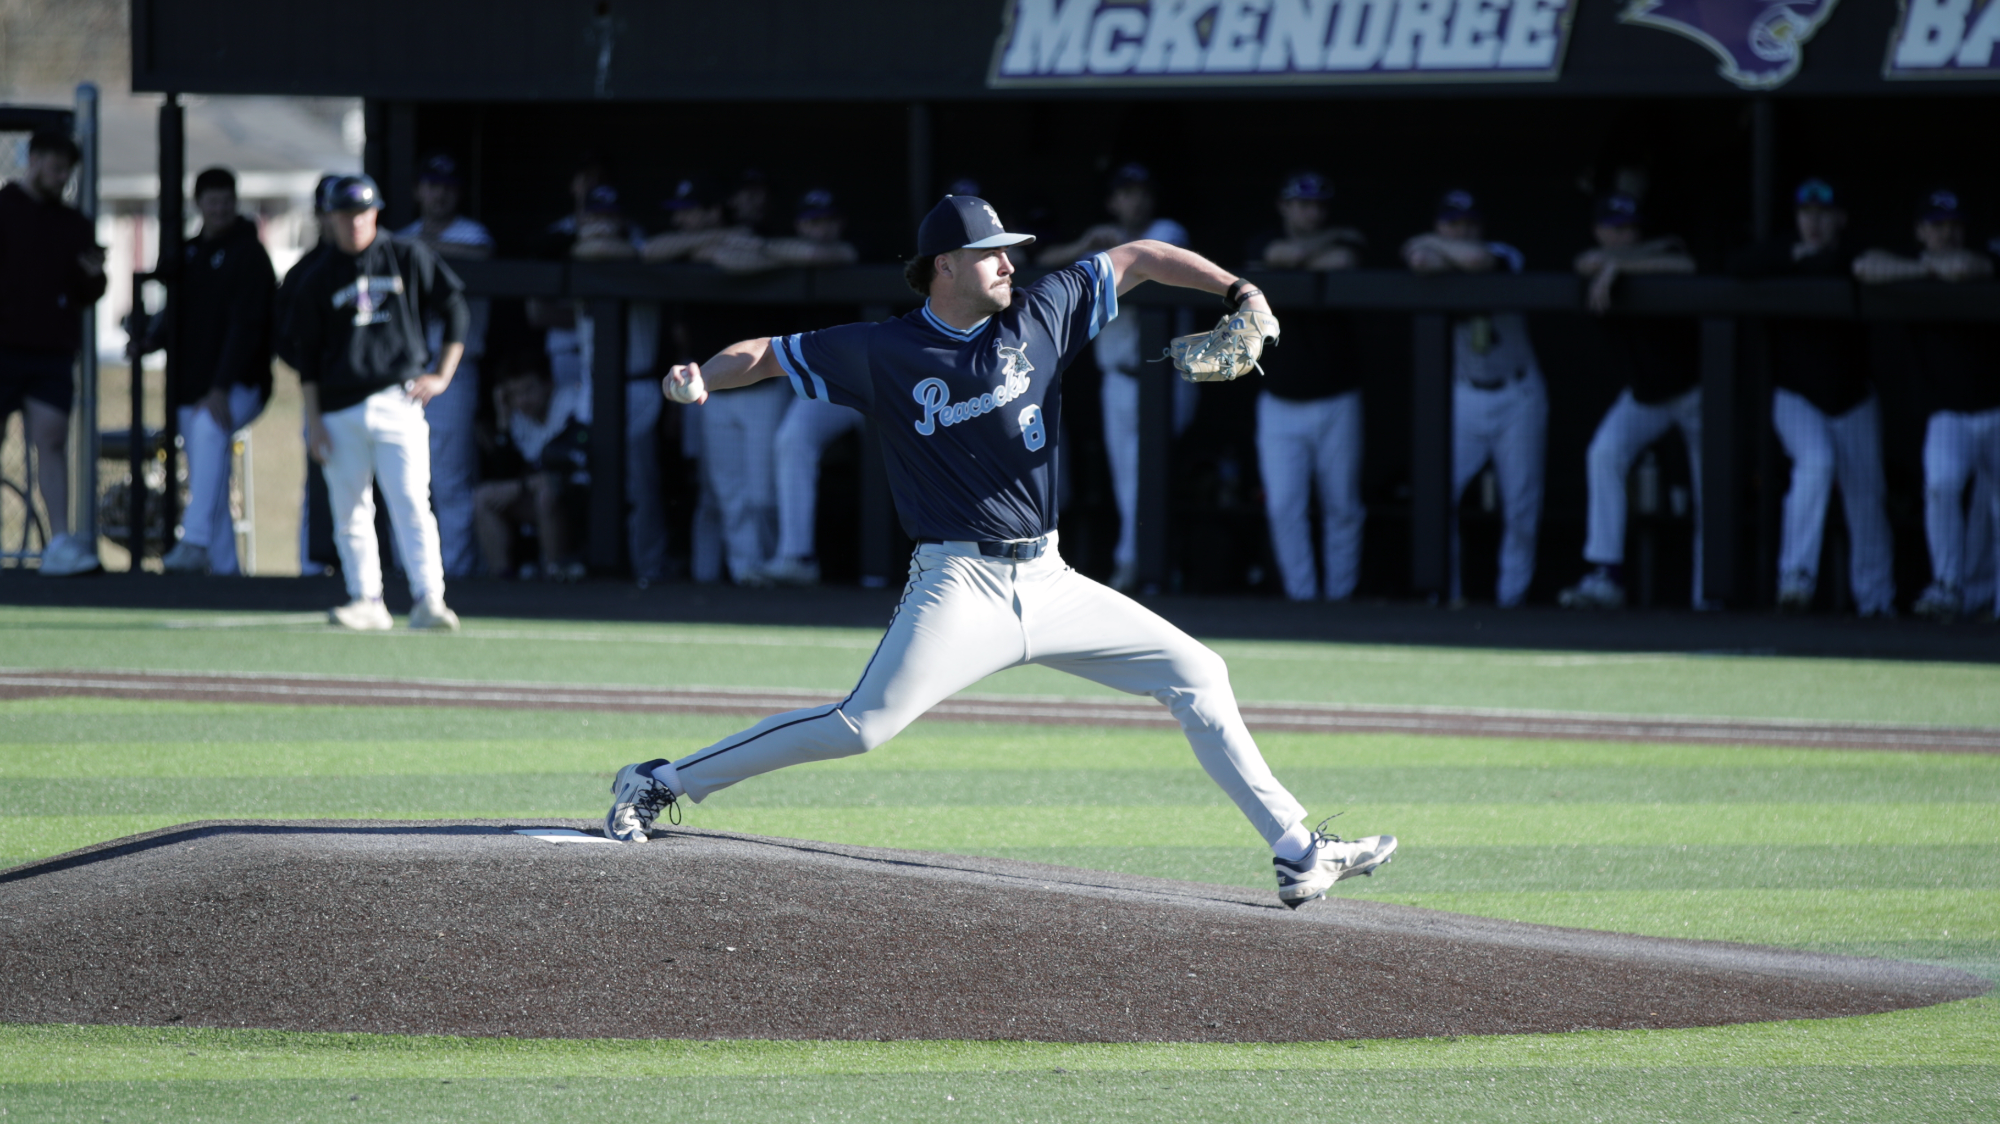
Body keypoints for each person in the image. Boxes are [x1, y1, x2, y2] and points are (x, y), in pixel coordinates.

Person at [606, 194, 1398, 910]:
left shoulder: (1042, 312)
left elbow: (1142, 256)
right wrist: (700, 377)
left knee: (1198, 673)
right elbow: (770, 353)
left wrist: (1241, 292)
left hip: (1051, 579)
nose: (1011, 262)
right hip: (959, 582)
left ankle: (1298, 852)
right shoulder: (884, 350)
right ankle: (662, 780)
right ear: (945, 266)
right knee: (861, 727)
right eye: (993, 252)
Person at [284, 175, 467, 631]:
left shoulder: (407, 254)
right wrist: (314, 422)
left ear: (376, 213)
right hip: (338, 406)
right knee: (350, 508)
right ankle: (366, 598)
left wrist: (442, 374)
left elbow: (455, 306)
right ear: (329, 218)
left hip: (398, 398)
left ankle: (430, 599)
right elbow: (305, 357)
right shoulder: (314, 274)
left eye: (362, 213)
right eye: (344, 215)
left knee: (410, 502)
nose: (354, 224)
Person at [1731, 179, 1895, 616]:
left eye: (1824, 214)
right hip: (1795, 398)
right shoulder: (1780, 255)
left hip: (1853, 399)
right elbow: (1736, 264)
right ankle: (1795, 579)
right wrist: (1791, 256)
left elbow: (1877, 263)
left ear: (1840, 218)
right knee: (1817, 463)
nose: (1815, 222)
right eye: (1807, 213)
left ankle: (1876, 600)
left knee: (1867, 494)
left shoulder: (1852, 257)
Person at [1038, 163, 1197, 591]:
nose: (1135, 199)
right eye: (1126, 192)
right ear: (1112, 201)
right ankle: (1144, 566)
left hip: (1167, 378)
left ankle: (1140, 566)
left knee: (1147, 474)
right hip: (1119, 379)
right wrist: (1085, 245)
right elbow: (1041, 264)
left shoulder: (1169, 230)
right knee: (1126, 477)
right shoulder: (1102, 237)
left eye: (1142, 191)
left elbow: (1141, 268)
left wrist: (1098, 254)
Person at [1855, 188, 1998, 622]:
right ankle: (1947, 586)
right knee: (1941, 486)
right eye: (1937, 226)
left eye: (1954, 226)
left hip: (1996, 408)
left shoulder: (1983, 258)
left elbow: (1964, 267)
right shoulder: (1911, 263)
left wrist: (1935, 268)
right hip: (1948, 413)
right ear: (1920, 231)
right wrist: (1922, 267)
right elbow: (1864, 266)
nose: (1948, 234)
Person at [1557, 193, 1705, 610]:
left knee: (1708, 491)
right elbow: (1583, 263)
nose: (1625, 236)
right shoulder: (1595, 261)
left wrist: (1621, 264)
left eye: (1632, 229)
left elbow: (1686, 264)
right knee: (1604, 453)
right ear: (1600, 230)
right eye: (1616, 229)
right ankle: (1606, 573)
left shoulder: (1664, 252)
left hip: (1696, 391)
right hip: (1645, 395)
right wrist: (1609, 264)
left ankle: (1709, 591)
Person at [1403, 189, 1546, 608]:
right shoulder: (1432, 254)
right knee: (1438, 496)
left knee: (1520, 507)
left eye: (1467, 223)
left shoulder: (1504, 254)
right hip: (1464, 395)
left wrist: (1434, 243)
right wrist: (1433, 246)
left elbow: (1478, 261)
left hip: (1517, 392)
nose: (1461, 231)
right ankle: (1447, 595)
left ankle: (1511, 601)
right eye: (1451, 223)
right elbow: (1417, 261)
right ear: (1439, 224)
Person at [131, 167, 276, 577]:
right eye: (212, 200)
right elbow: (176, 316)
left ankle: (193, 543)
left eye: (226, 200)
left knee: (210, 430)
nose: (220, 208)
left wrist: (219, 388)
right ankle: (227, 573)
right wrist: (148, 339)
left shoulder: (250, 255)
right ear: (199, 204)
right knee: (208, 476)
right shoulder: (189, 253)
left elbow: (246, 327)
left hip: (238, 387)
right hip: (191, 387)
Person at [533, 166, 667, 583]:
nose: (603, 223)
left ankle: (648, 570)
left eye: (611, 215)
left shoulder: (640, 247)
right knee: (571, 472)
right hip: (592, 388)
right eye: (595, 215)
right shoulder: (572, 248)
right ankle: (579, 563)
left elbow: (622, 250)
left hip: (639, 385)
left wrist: (604, 240)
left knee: (640, 489)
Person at [1246, 172, 1366, 602]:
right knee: (1284, 509)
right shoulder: (1262, 242)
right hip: (1279, 400)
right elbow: (1278, 255)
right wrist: (1322, 246)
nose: (1309, 212)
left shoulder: (1349, 245)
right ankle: (1302, 599)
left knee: (1343, 507)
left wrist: (1308, 255)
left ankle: (1339, 600)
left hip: (1337, 397)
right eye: (1301, 203)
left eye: (1317, 205)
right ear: (1283, 205)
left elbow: (1344, 261)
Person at [0, 130, 107, 577]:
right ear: (35, 160)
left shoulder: (74, 224)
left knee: (52, 439)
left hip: (50, 353)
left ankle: (60, 541)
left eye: (68, 171)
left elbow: (87, 291)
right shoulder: (3, 209)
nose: (62, 177)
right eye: (55, 167)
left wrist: (94, 276)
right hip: (1, 350)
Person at [761, 190, 867, 587]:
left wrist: (765, 248)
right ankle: (797, 556)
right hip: (832, 387)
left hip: (887, 381)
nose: (821, 230)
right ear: (799, 225)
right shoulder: (785, 252)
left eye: (827, 220)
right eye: (812, 222)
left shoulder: (855, 248)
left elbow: (821, 255)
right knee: (792, 438)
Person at [397, 154, 495, 580]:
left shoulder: (471, 234)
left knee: (450, 480)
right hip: (403, 371)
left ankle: (455, 573)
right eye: (431, 184)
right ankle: (409, 572)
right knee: (404, 477)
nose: (439, 193)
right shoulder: (403, 238)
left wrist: (418, 253)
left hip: (454, 368)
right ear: (419, 190)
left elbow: (481, 254)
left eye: (447, 185)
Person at [276, 174, 344, 577]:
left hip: (371, 392)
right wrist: (312, 371)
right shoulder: (305, 272)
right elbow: (283, 335)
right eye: (329, 211)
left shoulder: (378, 260)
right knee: (319, 477)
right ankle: (312, 565)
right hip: (321, 392)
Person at [476, 352, 588, 580]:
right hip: (538, 494)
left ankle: (554, 572)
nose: (522, 400)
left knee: (546, 491)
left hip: (582, 500)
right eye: (514, 394)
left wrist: (522, 486)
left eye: (528, 390)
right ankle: (503, 576)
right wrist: (503, 422)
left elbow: (567, 463)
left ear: (548, 384)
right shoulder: (516, 417)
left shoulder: (572, 402)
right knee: (482, 497)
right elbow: (503, 475)